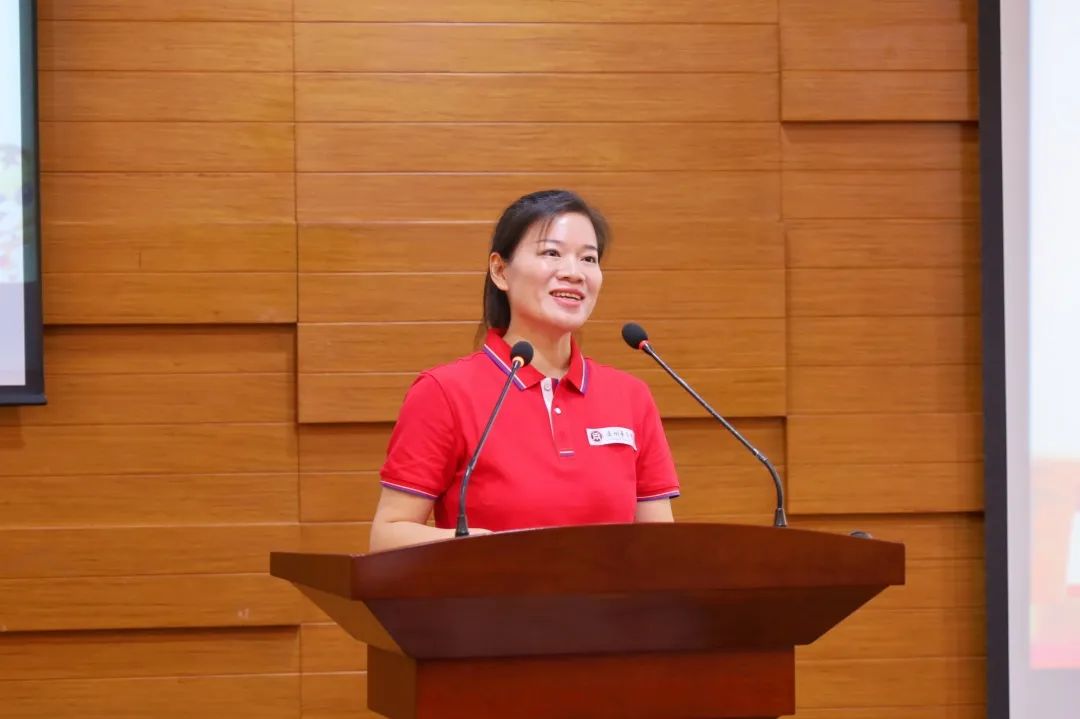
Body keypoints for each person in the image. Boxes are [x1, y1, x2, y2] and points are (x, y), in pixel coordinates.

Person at [369, 189, 680, 552]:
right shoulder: (444, 392)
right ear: (500, 271)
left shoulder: (630, 396)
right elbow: (388, 537)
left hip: (608, 593)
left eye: (588, 258)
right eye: (552, 253)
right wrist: (492, 551)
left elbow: (661, 547)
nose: (574, 273)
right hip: (493, 589)